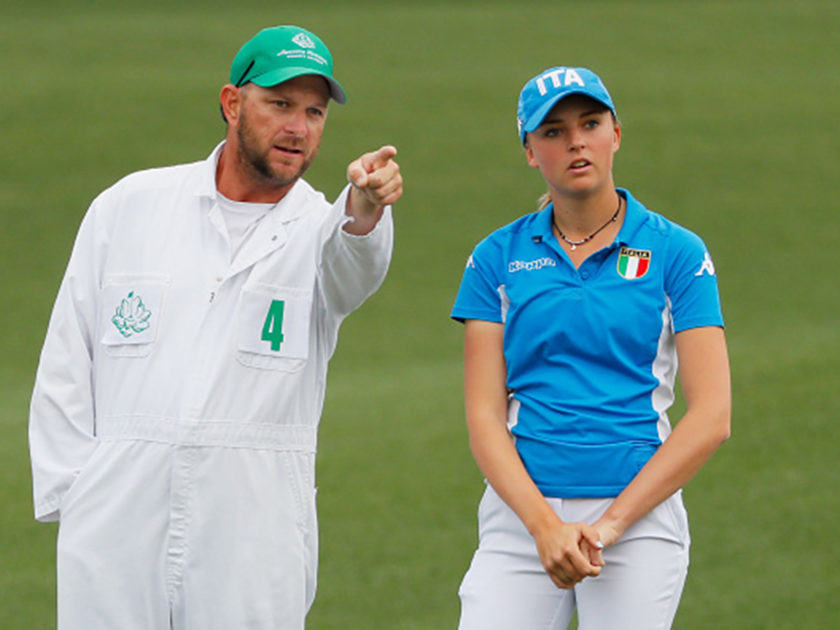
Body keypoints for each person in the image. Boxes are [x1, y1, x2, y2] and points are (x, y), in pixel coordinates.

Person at [29, 25, 402, 630]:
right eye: (280, 104)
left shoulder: (321, 227)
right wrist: (79, 496)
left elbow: (354, 267)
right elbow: (67, 360)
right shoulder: (130, 206)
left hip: (254, 528)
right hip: (115, 522)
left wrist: (364, 211)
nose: (299, 128)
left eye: (314, 111)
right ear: (232, 103)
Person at [451, 66, 731, 630]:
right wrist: (543, 528)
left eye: (590, 123)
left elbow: (712, 417)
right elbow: (484, 414)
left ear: (616, 134)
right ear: (530, 150)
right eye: (552, 131)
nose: (575, 140)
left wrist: (609, 525)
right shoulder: (495, 258)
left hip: (638, 520)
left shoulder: (677, 252)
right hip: (522, 522)